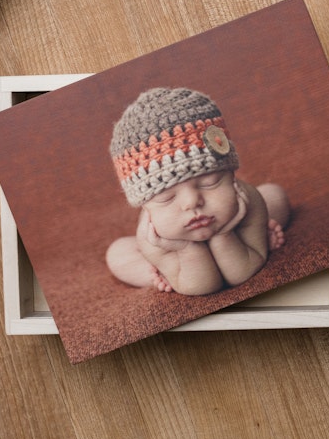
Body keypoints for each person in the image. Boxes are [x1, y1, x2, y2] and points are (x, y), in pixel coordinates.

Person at [105, 87, 290, 296]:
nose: (192, 202)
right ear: (145, 205)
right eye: (167, 197)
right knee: (118, 253)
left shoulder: (247, 201)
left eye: (209, 183)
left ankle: (255, 240)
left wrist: (225, 233)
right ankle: (163, 273)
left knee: (274, 194)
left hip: (239, 227)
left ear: (230, 175)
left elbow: (242, 273)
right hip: (171, 249)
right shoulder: (151, 236)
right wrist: (183, 249)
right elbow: (202, 286)